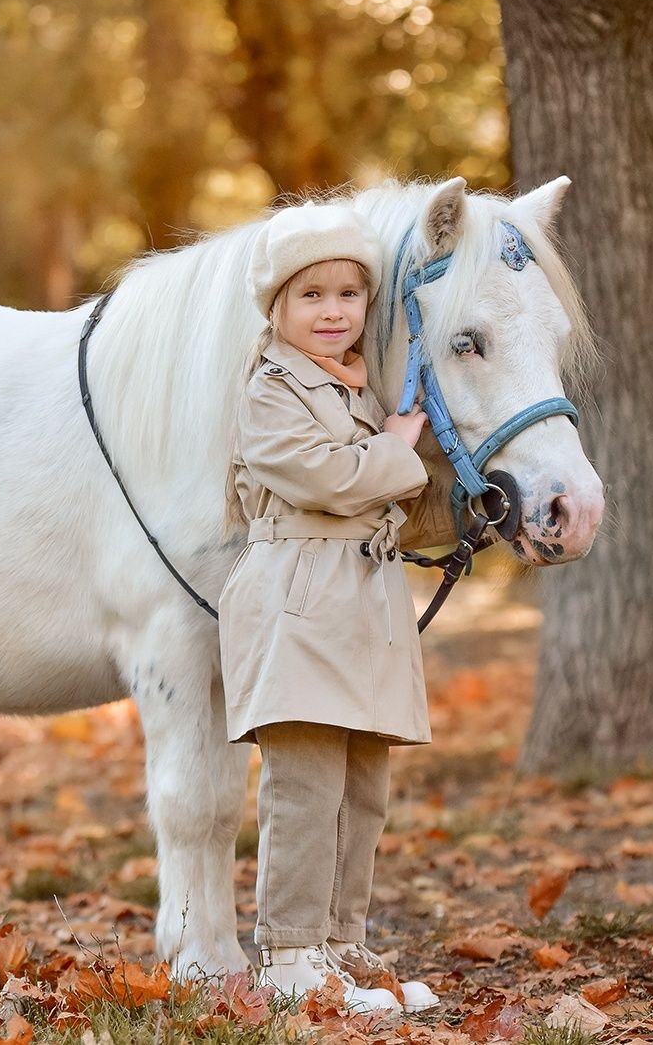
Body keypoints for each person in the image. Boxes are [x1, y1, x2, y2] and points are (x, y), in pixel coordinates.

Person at [220, 203, 441, 1014]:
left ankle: (339, 942)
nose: (334, 311)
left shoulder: (356, 387)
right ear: (278, 306)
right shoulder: (271, 388)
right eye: (312, 295)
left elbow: (369, 482)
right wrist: (396, 451)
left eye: (350, 294)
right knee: (305, 783)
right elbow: (326, 477)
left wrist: (387, 450)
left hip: (362, 595)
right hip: (298, 595)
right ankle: (287, 953)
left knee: (361, 785)